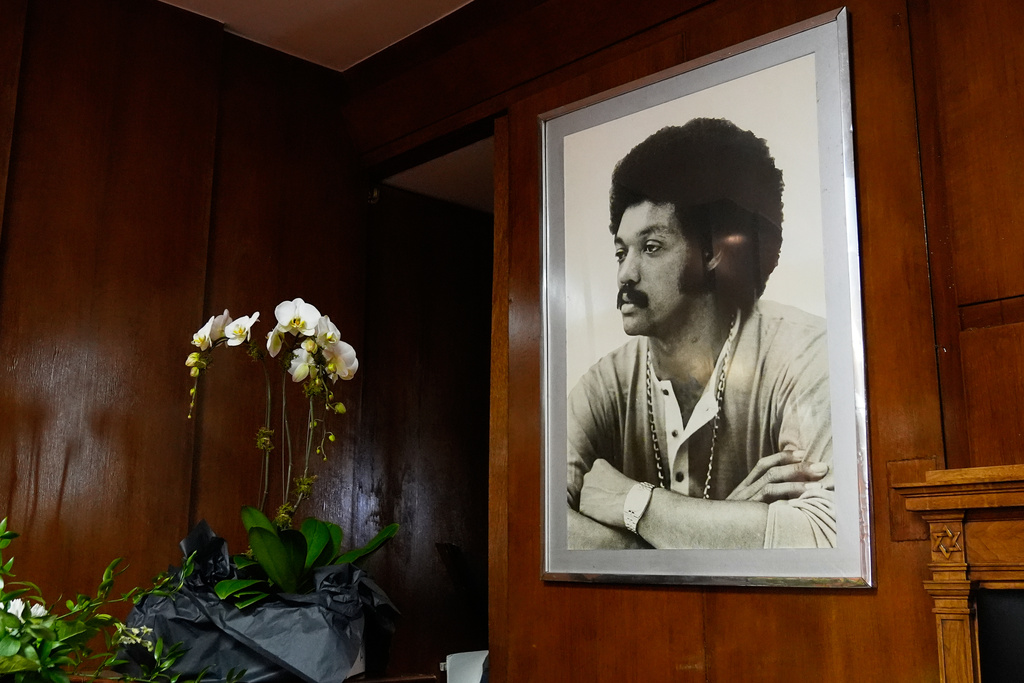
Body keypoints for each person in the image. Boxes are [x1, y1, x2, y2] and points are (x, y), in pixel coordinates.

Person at [566, 118, 835, 550]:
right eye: (621, 252)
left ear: (711, 252)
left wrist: (633, 504)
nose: (625, 273)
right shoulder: (603, 386)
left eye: (651, 248)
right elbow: (539, 526)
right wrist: (702, 534)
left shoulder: (802, 351)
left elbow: (826, 535)